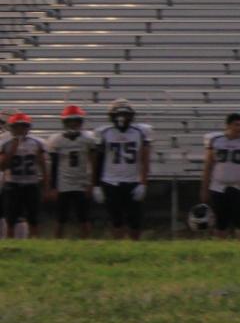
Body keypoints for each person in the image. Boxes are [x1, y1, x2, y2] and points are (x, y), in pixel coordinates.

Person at [97, 100, 151, 241]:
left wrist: (143, 183)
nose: (122, 118)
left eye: (125, 115)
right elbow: (98, 160)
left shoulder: (140, 132)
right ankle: (118, 246)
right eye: (119, 115)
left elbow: (145, 160)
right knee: (116, 219)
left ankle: (134, 247)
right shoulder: (104, 133)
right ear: (112, 116)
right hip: (110, 181)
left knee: (135, 220)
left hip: (132, 181)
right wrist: (97, 185)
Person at [202, 113, 240, 240]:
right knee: (220, 223)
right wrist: (204, 189)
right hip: (218, 187)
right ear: (228, 125)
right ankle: (221, 249)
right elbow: (208, 166)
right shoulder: (216, 140)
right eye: (237, 125)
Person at [48, 105, 101, 240]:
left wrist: (93, 183)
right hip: (63, 183)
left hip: (81, 182)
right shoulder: (57, 140)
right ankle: (57, 243)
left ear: (80, 122)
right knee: (60, 218)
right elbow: (54, 165)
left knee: (84, 217)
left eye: (76, 121)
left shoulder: (88, 139)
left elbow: (94, 162)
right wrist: (53, 187)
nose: (73, 124)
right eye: (70, 121)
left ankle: (86, 243)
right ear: (64, 122)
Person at [2, 113, 48, 239]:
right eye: (17, 127)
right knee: (11, 218)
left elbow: (43, 166)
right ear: (11, 128)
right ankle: (10, 244)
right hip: (12, 184)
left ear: (28, 128)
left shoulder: (37, 143)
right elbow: (2, 166)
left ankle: (35, 243)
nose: (20, 130)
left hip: (31, 184)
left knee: (34, 218)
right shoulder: (5, 143)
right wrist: (13, 149)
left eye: (23, 127)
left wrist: (46, 187)